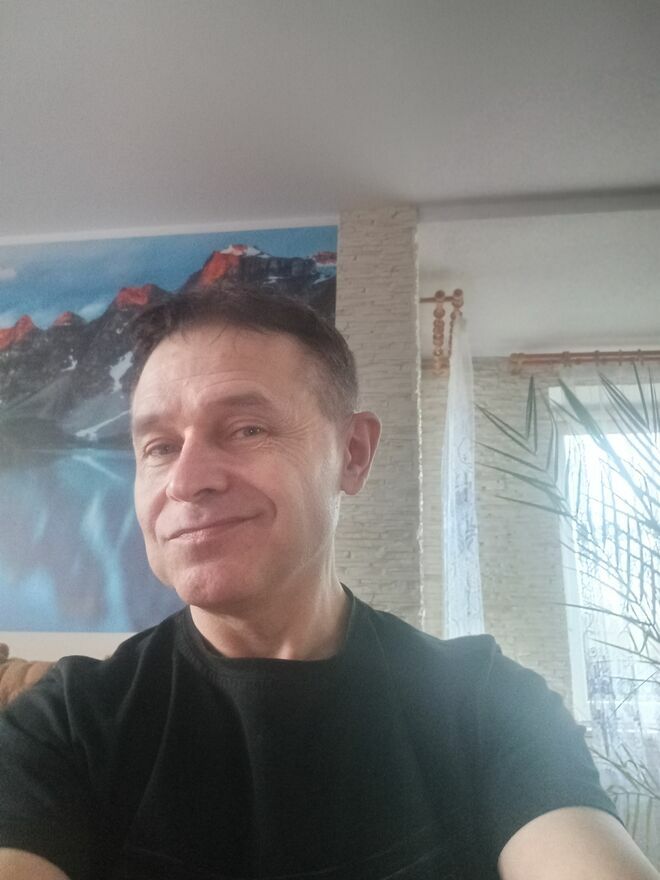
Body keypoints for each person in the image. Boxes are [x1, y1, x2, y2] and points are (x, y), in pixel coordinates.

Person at [0, 289, 657, 880]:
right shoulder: (65, 724)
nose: (187, 481)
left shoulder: (490, 706)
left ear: (352, 453)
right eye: (159, 447)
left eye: (247, 429)